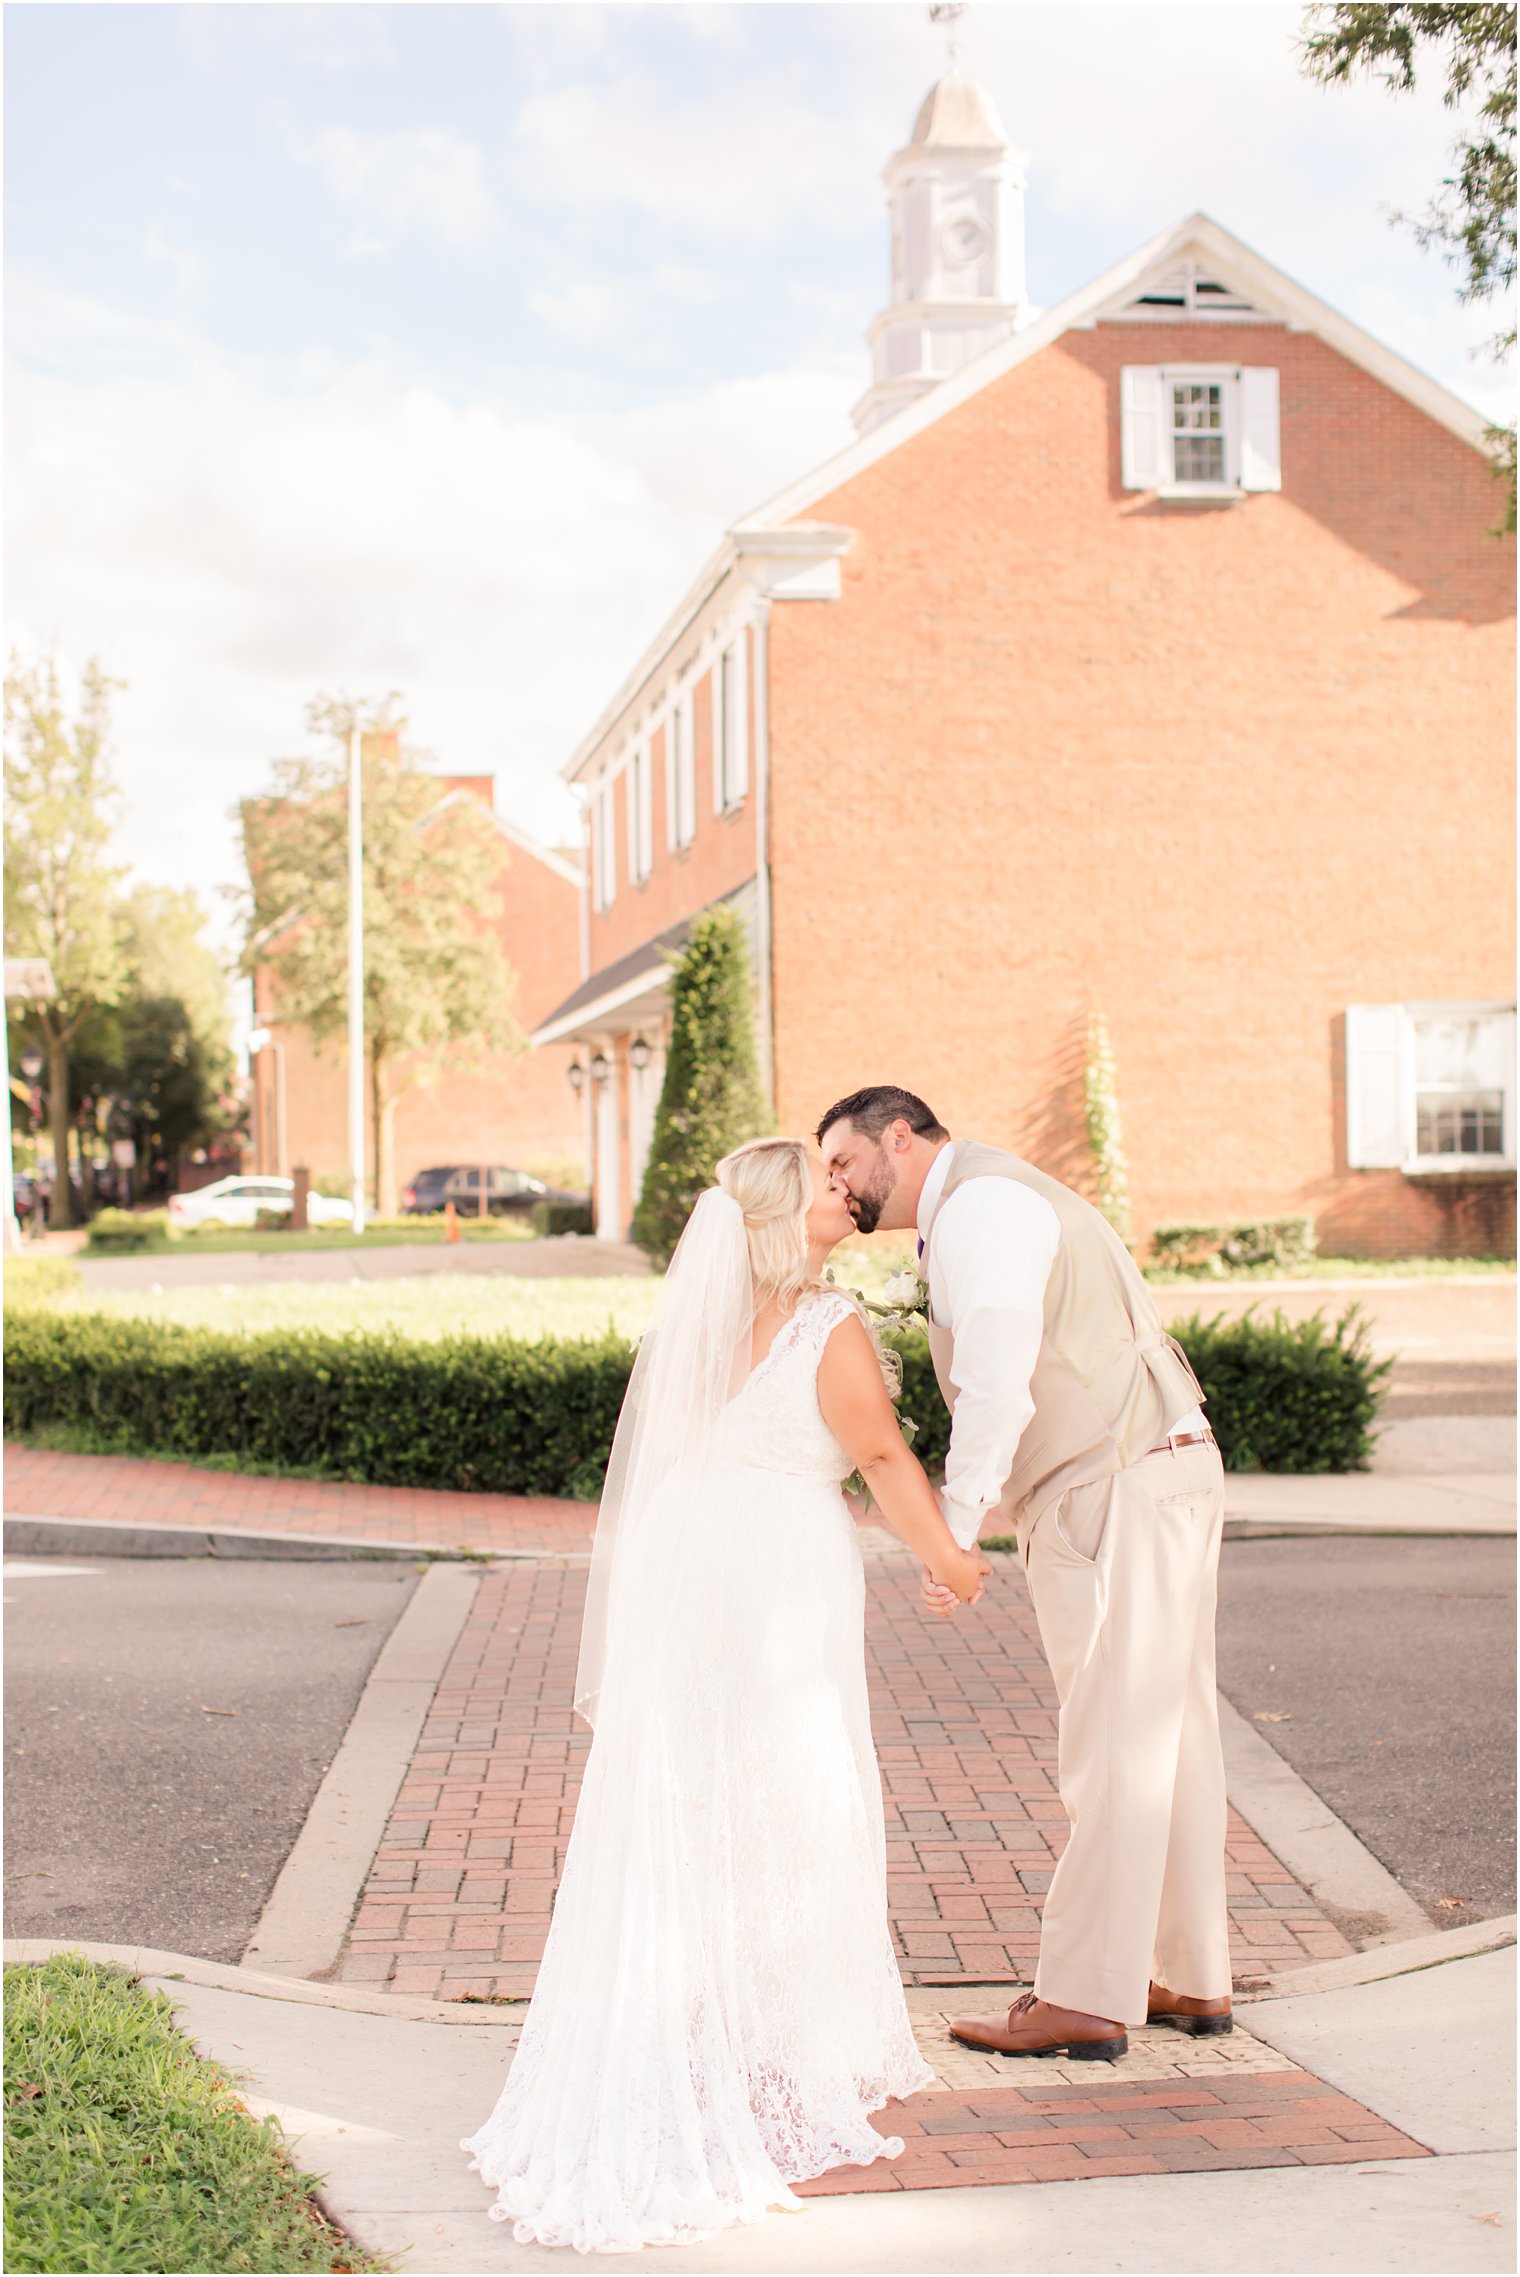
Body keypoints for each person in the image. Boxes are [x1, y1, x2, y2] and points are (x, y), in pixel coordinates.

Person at [461, 1136, 988, 2252]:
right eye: (820, 1185)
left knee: (701, 1791)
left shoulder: (703, 1325)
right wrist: (951, 1562)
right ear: (782, 1220)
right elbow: (884, 1460)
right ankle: (782, 2049)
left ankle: (716, 2026)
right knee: (791, 1792)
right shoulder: (821, 1327)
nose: (840, 1191)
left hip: (690, 1563)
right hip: (770, 1577)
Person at [817, 1086, 1232, 2064]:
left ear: (898, 1137)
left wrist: (957, 1527)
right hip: (1158, 1468)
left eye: (841, 1162)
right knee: (1170, 1733)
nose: (835, 1184)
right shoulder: (997, 1199)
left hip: (1110, 1486)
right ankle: (1185, 1973)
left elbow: (995, 1375)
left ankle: (1084, 1995)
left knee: (1112, 1744)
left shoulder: (980, 1209)